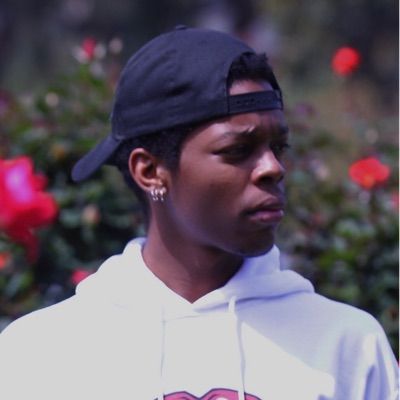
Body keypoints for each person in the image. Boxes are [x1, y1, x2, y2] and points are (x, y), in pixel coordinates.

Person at [0, 26, 398, 400]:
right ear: (149, 171)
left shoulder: (349, 346)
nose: (273, 168)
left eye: (278, 148)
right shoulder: (39, 355)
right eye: (238, 150)